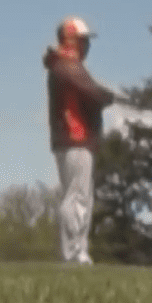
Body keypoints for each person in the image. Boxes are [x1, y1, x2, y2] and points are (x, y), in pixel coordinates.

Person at [42, 16, 115, 266]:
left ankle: (78, 251)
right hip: (75, 136)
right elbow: (91, 91)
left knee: (81, 195)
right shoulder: (66, 65)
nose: (87, 46)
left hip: (73, 139)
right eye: (84, 40)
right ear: (73, 40)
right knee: (77, 196)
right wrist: (108, 96)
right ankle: (73, 253)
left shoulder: (63, 65)